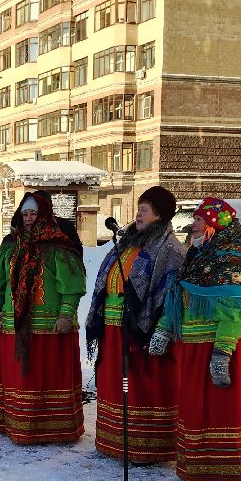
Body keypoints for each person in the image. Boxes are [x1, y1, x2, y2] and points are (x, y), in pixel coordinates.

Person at [151, 197, 241, 481]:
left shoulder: (229, 259)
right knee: (197, 413)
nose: (192, 225)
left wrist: (221, 353)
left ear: (215, 225)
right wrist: (164, 330)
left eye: (199, 221)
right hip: (194, 350)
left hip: (226, 352)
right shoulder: (198, 256)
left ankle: (228, 477)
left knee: (222, 415)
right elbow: (177, 297)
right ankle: (200, 470)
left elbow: (233, 311)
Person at [85, 185, 186, 464]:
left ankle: (146, 446)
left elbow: (169, 295)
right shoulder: (129, 241)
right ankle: (113, 441)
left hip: (142, 330)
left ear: (159, 215)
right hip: (115, 327)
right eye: (139, 209)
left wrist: (158, 330)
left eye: (144, 210)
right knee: (114, 384)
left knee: (141, 388)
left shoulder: (169, 250)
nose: (138, 214)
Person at [0, 191, 87, 445]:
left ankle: (54, 429)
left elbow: (72, 286)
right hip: (14, 326)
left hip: (50, 327)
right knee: (20, 379)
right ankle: (18, 426)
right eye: (25, 214)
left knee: (46, 379)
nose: (29, 219)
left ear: (44, 216)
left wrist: (66, 314)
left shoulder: (59, 246)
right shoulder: (9, 246)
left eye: (33, 214)